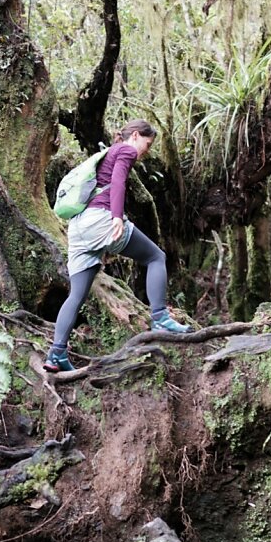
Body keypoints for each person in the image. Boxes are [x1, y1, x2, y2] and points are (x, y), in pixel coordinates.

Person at [45, 119, 192, 372]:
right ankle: (161, 319)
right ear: (135, 136)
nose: (146, 151)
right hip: (101, 219)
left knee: (77, 295)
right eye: (147, 143)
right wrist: (116, 216)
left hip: (79, 227)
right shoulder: (125, 150)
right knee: (155, 257)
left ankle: (56, 354)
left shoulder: (108, 152)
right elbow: (119, 182)